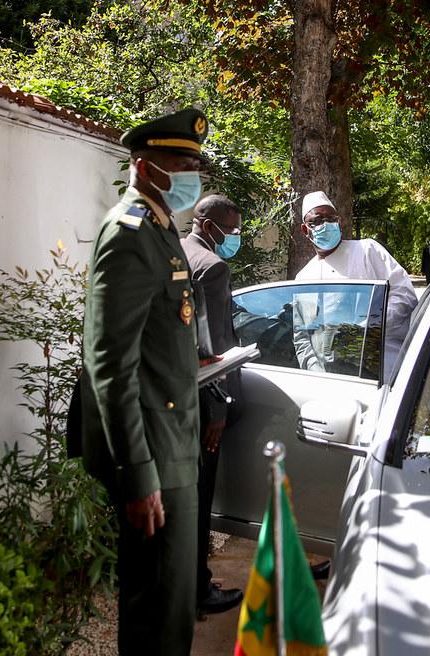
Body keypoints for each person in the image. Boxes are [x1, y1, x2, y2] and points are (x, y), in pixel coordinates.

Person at [79, 107, 207, 655]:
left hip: (171, 441)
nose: (191, 173)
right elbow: (109, 363)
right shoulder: (129, 232)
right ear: (144, 165)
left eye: (195, 163)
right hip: (151, 453)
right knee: (157, 608)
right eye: (181, 162)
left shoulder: (159, 227)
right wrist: (138, 473)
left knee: (171, 603)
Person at [180, 194, 245, 616]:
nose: (235, 237)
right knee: (200, 501)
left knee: (185, 500)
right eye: (232, 230)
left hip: (179, 401)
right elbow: (214, 347)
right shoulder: (212, 266)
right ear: (207, 224)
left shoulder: (176, 251)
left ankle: (181, 583)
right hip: (206, 405)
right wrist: (219, 410)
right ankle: (198, 589)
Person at [294, 191, 418, 378]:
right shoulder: (304, 278)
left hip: (384, 365)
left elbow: (404, 295)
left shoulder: (367, 250)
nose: (325, 225)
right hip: (334, 378)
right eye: (318, 221)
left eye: (331, 219)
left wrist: (368, 328)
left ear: (339, 222)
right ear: (305, 230)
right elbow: (302, 337)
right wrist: (316, 372)